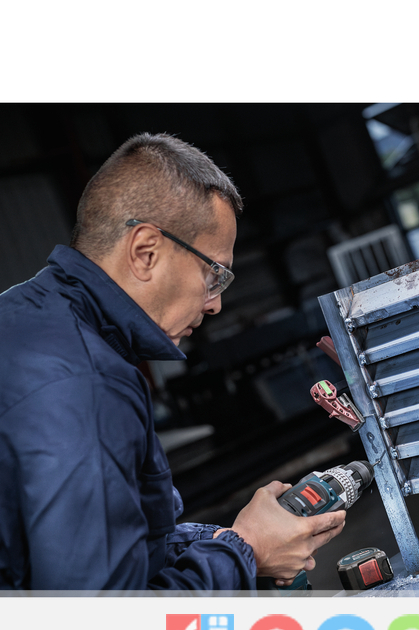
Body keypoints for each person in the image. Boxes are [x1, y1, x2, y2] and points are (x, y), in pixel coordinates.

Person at [0, 132, 346, 590]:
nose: (216, 304)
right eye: (214, 274)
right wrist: (246, 551)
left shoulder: (22, 319)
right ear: (145, 252)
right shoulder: (86, 384)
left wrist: (215, 540)